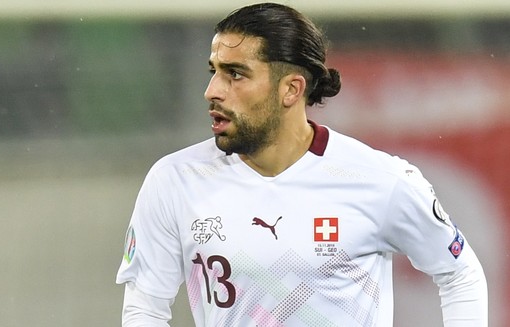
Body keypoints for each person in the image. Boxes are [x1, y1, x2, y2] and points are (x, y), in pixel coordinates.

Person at [116, 3, 488, 326]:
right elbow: (146, 307)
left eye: (235, 74)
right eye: (214, 71)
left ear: (291, 89)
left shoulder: (380, 180)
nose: (212, 90)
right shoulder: (175, 180)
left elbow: (459, 274)